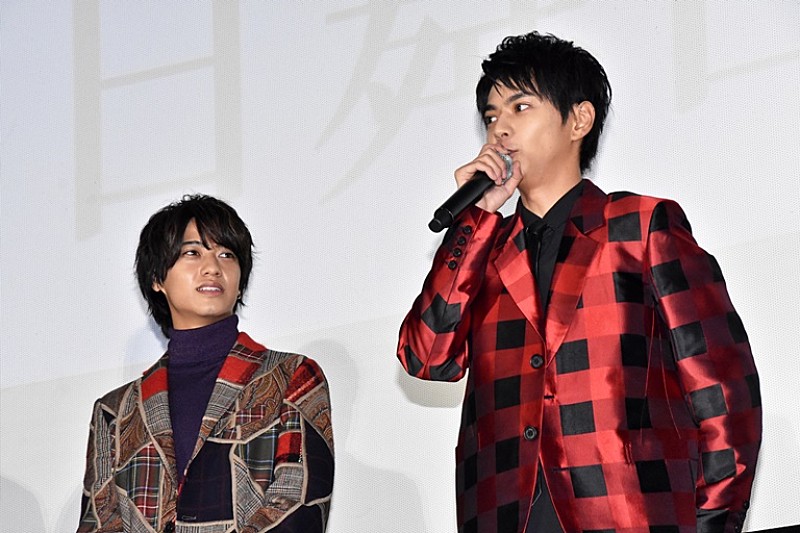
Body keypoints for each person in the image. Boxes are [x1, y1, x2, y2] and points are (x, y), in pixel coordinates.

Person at [397, 31, 760, 533]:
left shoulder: (640, 227)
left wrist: (713, 523)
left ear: (579, 120)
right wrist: (474, 220)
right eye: (491, 116)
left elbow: (723, 392)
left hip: (630, 513)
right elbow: (426, 357)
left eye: (520, 107)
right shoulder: (484, 249)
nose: (500, 129)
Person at [78, 195, 334, 532]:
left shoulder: (291, 377)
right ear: (157, 278)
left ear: (240, 281)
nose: (213, 267)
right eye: (192, 253)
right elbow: (99, 521)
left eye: (227, 254)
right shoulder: (115, 412)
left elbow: (299, 504)